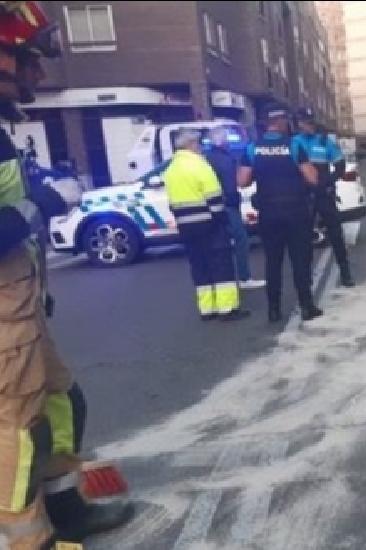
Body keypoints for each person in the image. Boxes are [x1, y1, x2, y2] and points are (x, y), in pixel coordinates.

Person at [0, 2, 132, 548]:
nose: (38, 73)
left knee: (61, 401)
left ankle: (64, 510)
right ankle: (28, 540)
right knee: (17, 431)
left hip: (20, 301)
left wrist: (38, 188)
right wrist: (44, 202)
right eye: (27, 59)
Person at [238, 104, 322, 323]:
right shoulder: (294, 145)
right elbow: (312, 178)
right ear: (282, 122)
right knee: (300, 260)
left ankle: (273, 310)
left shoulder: (252, 148)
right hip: (295, 211)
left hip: (268, 212)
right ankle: (307, 306)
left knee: (273, 262)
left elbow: (242, 181)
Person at [163, 130, 249, 322]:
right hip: (209, 223)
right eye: (198, 144)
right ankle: (227, 309)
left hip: (186, 226)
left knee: (200, 266)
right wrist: (222, 221)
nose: (201, 148)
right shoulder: (199, 166)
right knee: (221, 264)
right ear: (192, 145)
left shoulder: (171, 169)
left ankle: (207, 308)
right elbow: (214, 198)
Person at [291, 108, 355, 287]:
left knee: (335, 233)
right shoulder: (294, 142)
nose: (310, 126)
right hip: (303, 195)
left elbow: (340, 165)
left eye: (311, 122)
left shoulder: (324, 141)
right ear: (299, 124)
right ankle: (307, 276)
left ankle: (345, 272)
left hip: (323, 194)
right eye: (306, 123)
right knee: (304, 237)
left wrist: (329, 181)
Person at [205, 127, 265, 290]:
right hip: (227, 205)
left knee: (225, 242)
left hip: (222, 204)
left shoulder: (211, 157)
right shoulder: (222, 159)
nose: (228, 143)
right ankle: (244, 277)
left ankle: (224, 279)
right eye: (226, 140)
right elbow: (232, 182)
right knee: (240, 239)